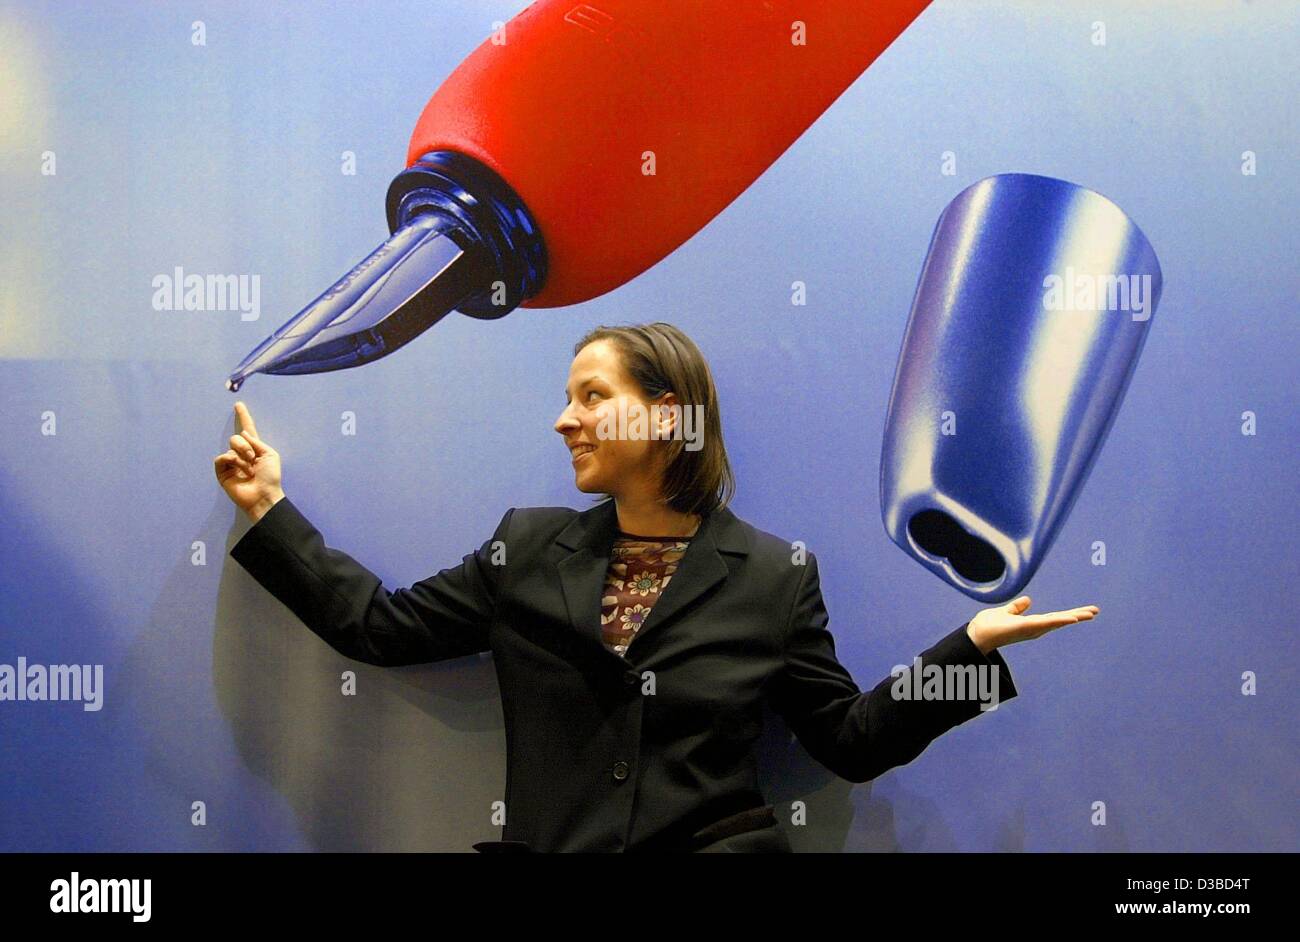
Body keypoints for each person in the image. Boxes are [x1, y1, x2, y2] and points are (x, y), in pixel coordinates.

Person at [214, 322, 1099, 852]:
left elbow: (848, 741)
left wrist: (968, 653)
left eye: (593, 396)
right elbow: (379, 627)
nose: (566, 417)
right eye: (568, 397)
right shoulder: (524, 549)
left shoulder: (774, 576)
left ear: (669, 413)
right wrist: (271, 511)